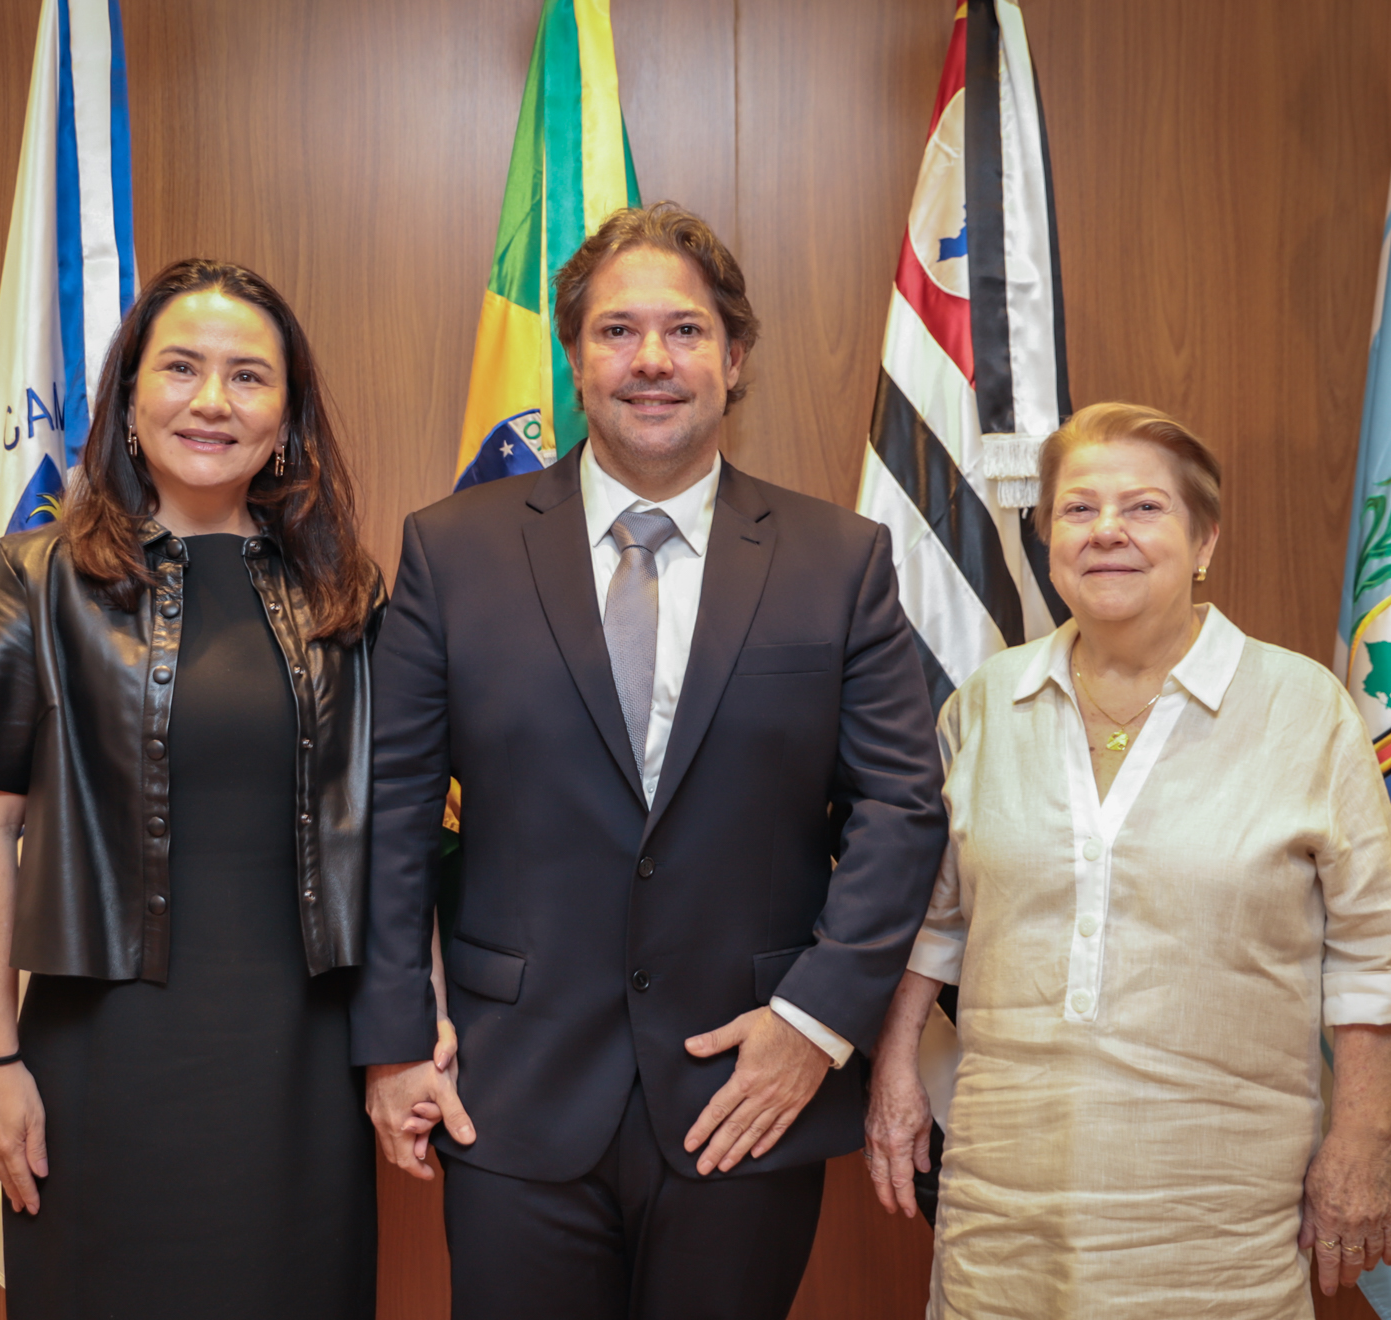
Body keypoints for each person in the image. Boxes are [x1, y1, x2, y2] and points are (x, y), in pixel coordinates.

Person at [350, 202, 949, 1320]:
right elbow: (389, 812)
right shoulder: (453, 550)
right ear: (575, 359)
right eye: (619, 332)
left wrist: (815, 1024)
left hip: (749, 1085)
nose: (653, 361)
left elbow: (902, 809)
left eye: (684, 330)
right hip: (506, 1086)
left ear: (735, 356)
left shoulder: (838, 561)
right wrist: (392, 1045)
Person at [862, 402, 1391, 1316]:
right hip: (1004, 1205)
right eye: (1078, 510)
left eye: (1143, 509)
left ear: (1203, 537)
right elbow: (935, 917)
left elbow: (1378, 951)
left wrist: (1362, 1143)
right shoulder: (984, 705)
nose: (1107, 533)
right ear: (1047, 537)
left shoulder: (1304, 708)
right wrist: (895, 1066)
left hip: (1222, 1213)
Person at [0, 259, 383, 1319]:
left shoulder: (345, 595)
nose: (212, 401)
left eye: (248, 377)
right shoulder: (33, 581)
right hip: (102, 1062)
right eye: (181, 367)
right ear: (130, 398)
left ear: (288, 415)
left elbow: (388, 824)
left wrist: (420, 1013)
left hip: (303, 1064)